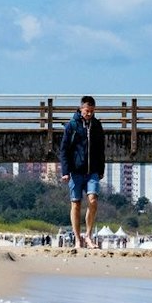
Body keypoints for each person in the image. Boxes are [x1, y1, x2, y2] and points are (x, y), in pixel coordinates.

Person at [58, 95, 106, 249]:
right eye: (87, 111)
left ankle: (89, 236)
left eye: (92, 111)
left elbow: (101, 150)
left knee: (93, 201)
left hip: (92, 171)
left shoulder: (97, 126)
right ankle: (77, 239)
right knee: (76, 204)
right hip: (75, 171)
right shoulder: (71, 126)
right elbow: (64, 150)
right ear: (81, 109)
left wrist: (101, 169)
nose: (89, 113)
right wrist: (65, 171)